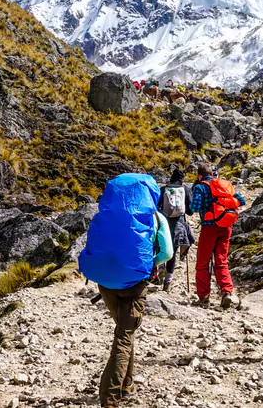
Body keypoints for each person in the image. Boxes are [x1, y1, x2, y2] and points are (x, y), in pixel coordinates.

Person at [79, 174, 173, 408]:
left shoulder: (105, 215)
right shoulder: (155, 217)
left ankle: (127, 383)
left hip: (105, 282)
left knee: (124, 329)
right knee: (123, 337)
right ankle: (110, 398)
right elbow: (168, 253)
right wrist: (150, 262)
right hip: (134, 283)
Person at [188, 163, 245, 308]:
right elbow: (241, 201)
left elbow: (194, 207)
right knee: (221, 261)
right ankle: (226, 292)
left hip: (209, 228)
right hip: (226, 227)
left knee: (202, 263)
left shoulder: (200, 187)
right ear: (212, 174)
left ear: (199, 176)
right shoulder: (223, 185)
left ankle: (204, 297)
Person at [159, 167, 195, 292]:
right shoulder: (185, 189)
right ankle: (168, 281)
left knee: (161, 247)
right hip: (179, 225)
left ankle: (161, 267)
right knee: (172, 252)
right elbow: (190, 211)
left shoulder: (164, 189)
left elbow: (157, 206)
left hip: (163, 223)